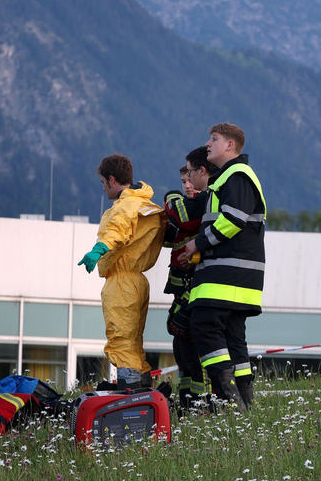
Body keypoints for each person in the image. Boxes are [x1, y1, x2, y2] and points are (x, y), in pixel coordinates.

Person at [182, 123, 266, 409]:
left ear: (230, 145)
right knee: (233, 337)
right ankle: (244, 406)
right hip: (237, 280)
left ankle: (229, 402)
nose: (208, 144)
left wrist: (198, 245)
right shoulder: (225, 179)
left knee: (204, 324)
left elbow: (233, 220)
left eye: (214, 139)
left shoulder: (237, 175)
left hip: (227, 277)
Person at [78, 154, 166, 390]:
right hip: (137, 280)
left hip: (122, 280)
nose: (103, 188)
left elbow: (118, 230)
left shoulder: (125, 206)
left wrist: (98, 250)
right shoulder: (144, 204)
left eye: (103, 183)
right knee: (134, 341)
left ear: (112, 179)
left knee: (121, 339)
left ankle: (130, 394)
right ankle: (144, 389)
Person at [163, 147, 218, 411]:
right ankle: (185, 402)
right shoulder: (183, 206)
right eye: (182, 182)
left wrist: (171, 200)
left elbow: (181, 217)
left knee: (195, 351)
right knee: (181, 350)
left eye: (190, 180)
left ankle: (199, 402)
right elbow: (167, 236)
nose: (187, 186)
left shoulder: (201, 205)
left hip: (196, 288)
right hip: (181, 289)